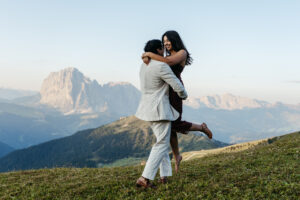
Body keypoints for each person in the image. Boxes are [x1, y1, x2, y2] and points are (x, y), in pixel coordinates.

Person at [142, 30, 213, 173]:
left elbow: (169, 62)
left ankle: (201, 127)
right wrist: (146, 57)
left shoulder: (182, 53)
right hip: (164, 90)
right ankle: (177, 156)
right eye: (164, 41)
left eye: (168, 40)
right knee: (169, 125)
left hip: (175, 90)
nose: (166, 43)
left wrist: (148, 54)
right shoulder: (165, 55)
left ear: (174, 39)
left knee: (175, 122)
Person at [135, 39, 188, 188]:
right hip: (160, 110)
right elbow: (176, 84)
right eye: (162, 49)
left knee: (161, 140)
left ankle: (164, 175)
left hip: (147, 109)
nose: (164, 52)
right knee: (162, 143)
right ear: (158, 50)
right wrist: (184, 95)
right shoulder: (161, 66)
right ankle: (145, 178)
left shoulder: (143, 66)